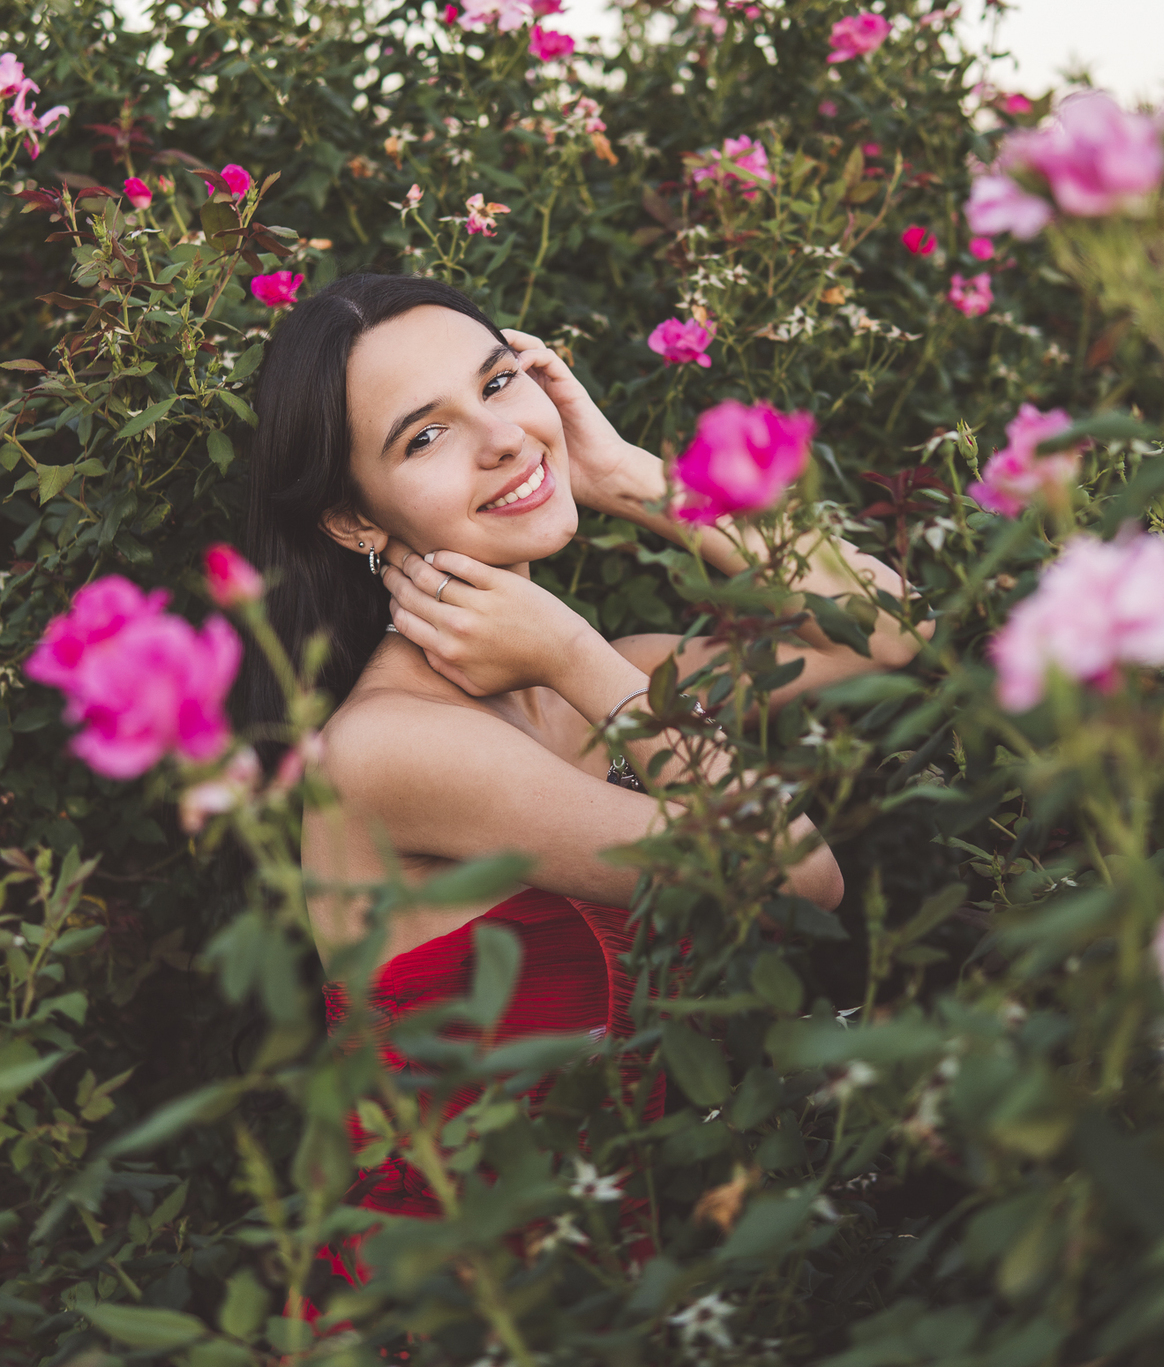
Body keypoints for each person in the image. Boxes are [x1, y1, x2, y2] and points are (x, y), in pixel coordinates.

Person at [244, 272, 927, 1231]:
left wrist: (627, 476)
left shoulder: (607, 679)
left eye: (497, 383)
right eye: (425, 436)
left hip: (617, 1290)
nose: (504, 437)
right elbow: (795, 878)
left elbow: (892, 631)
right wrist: (573, 653)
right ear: (355, 519)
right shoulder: (389, 749)